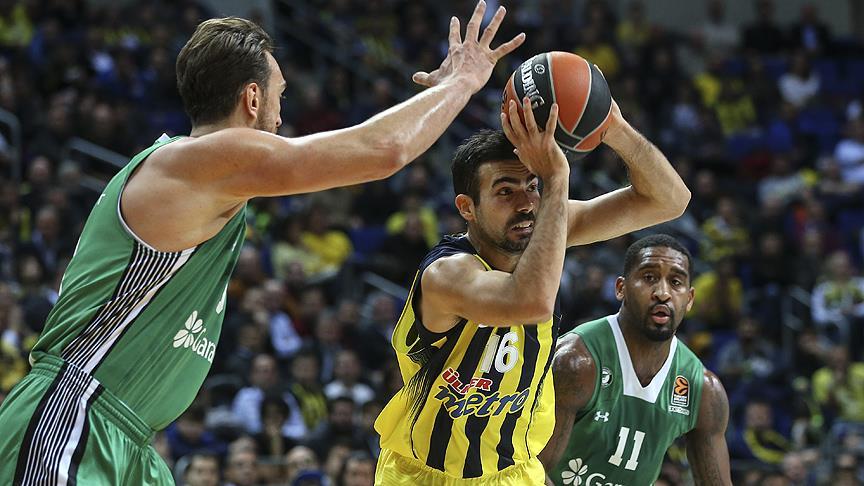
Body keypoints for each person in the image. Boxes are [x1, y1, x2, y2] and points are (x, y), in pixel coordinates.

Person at [0, 2, 525, 483]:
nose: (281, 115)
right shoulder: (198, 162)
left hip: (128, 439)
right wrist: (461, 83)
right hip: (74, 416)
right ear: (252, 98)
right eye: (279, 95)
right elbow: (382, 150)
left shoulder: (205, 178)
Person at [374, 90, 691, 482]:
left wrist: (612, 127)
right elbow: (531, 302)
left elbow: (670, 200)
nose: (526, 204)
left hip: (515, 472)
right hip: (425, 475)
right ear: (467, 207)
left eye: (532, 185)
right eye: (505, 191)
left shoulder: (545, 227)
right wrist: (556, 177)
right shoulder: (447, 274)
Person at [539, 235, 731, 485]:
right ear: (621, 288)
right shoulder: (576, 361)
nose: (662, 293)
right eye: (649, 278)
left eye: (675, 282)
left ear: (690, 299)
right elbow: (531, 469)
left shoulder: (702, 389)